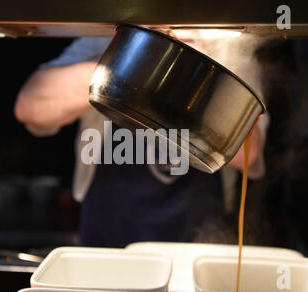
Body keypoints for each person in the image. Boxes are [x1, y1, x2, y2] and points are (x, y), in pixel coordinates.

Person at [14, 37, 269, 248]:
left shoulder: (230, 46)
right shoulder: (104, 38)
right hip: (107, 251)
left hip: (196, 251)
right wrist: (135, 59)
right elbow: (30, 107)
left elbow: (248, 152)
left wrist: (193, 72)